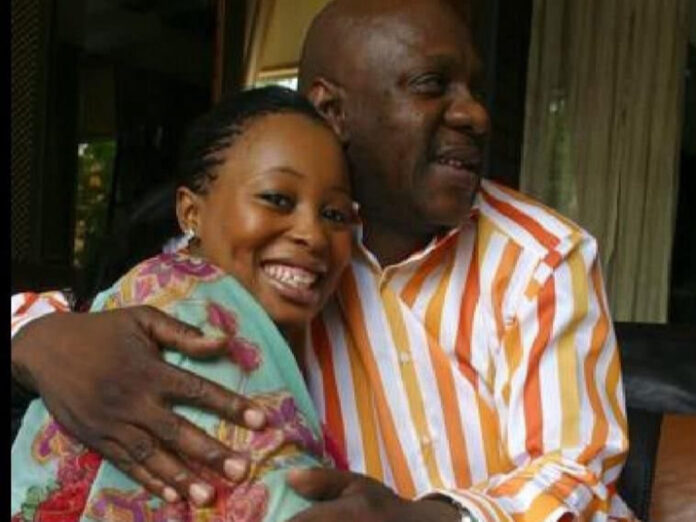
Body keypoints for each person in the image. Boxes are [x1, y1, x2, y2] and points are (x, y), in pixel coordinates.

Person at [11, 0, 635, 520]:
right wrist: (38, 338)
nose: (475, 114)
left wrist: (429, 517)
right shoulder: (266, 258)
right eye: (432, 85)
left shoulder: (540, 256)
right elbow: (153, 292)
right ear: (333, 111)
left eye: (474, 88)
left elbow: (576, 472)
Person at [11, 86, 354, 520]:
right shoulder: (199, 314)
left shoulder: (142, 296)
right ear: (191, 213)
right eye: (277, 199)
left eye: (335, 215)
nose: (313, 235)